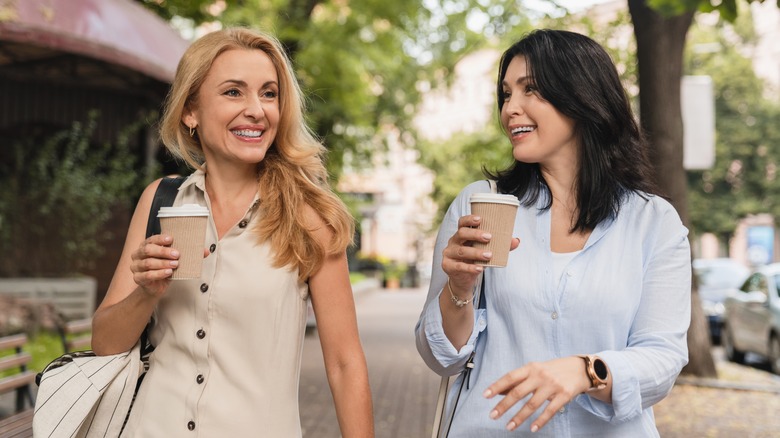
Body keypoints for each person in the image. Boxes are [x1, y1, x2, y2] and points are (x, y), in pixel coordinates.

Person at [92, 27, 374, 437]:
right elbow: (104, 344)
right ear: (190, 111)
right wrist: (146, 292)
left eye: (269, 94)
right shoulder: (161, 200)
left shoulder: (309, 218)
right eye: (233, 92)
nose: (257, 109)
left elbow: (345, 364)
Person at [415, 29, 691, 437]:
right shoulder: (481, 205)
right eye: (506, 94)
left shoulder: (653, 222)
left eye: (531, 89)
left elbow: (663, 359)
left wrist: (586, 371)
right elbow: (442, 359)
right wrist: (458, 287)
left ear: (582, 98)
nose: (511, 109)